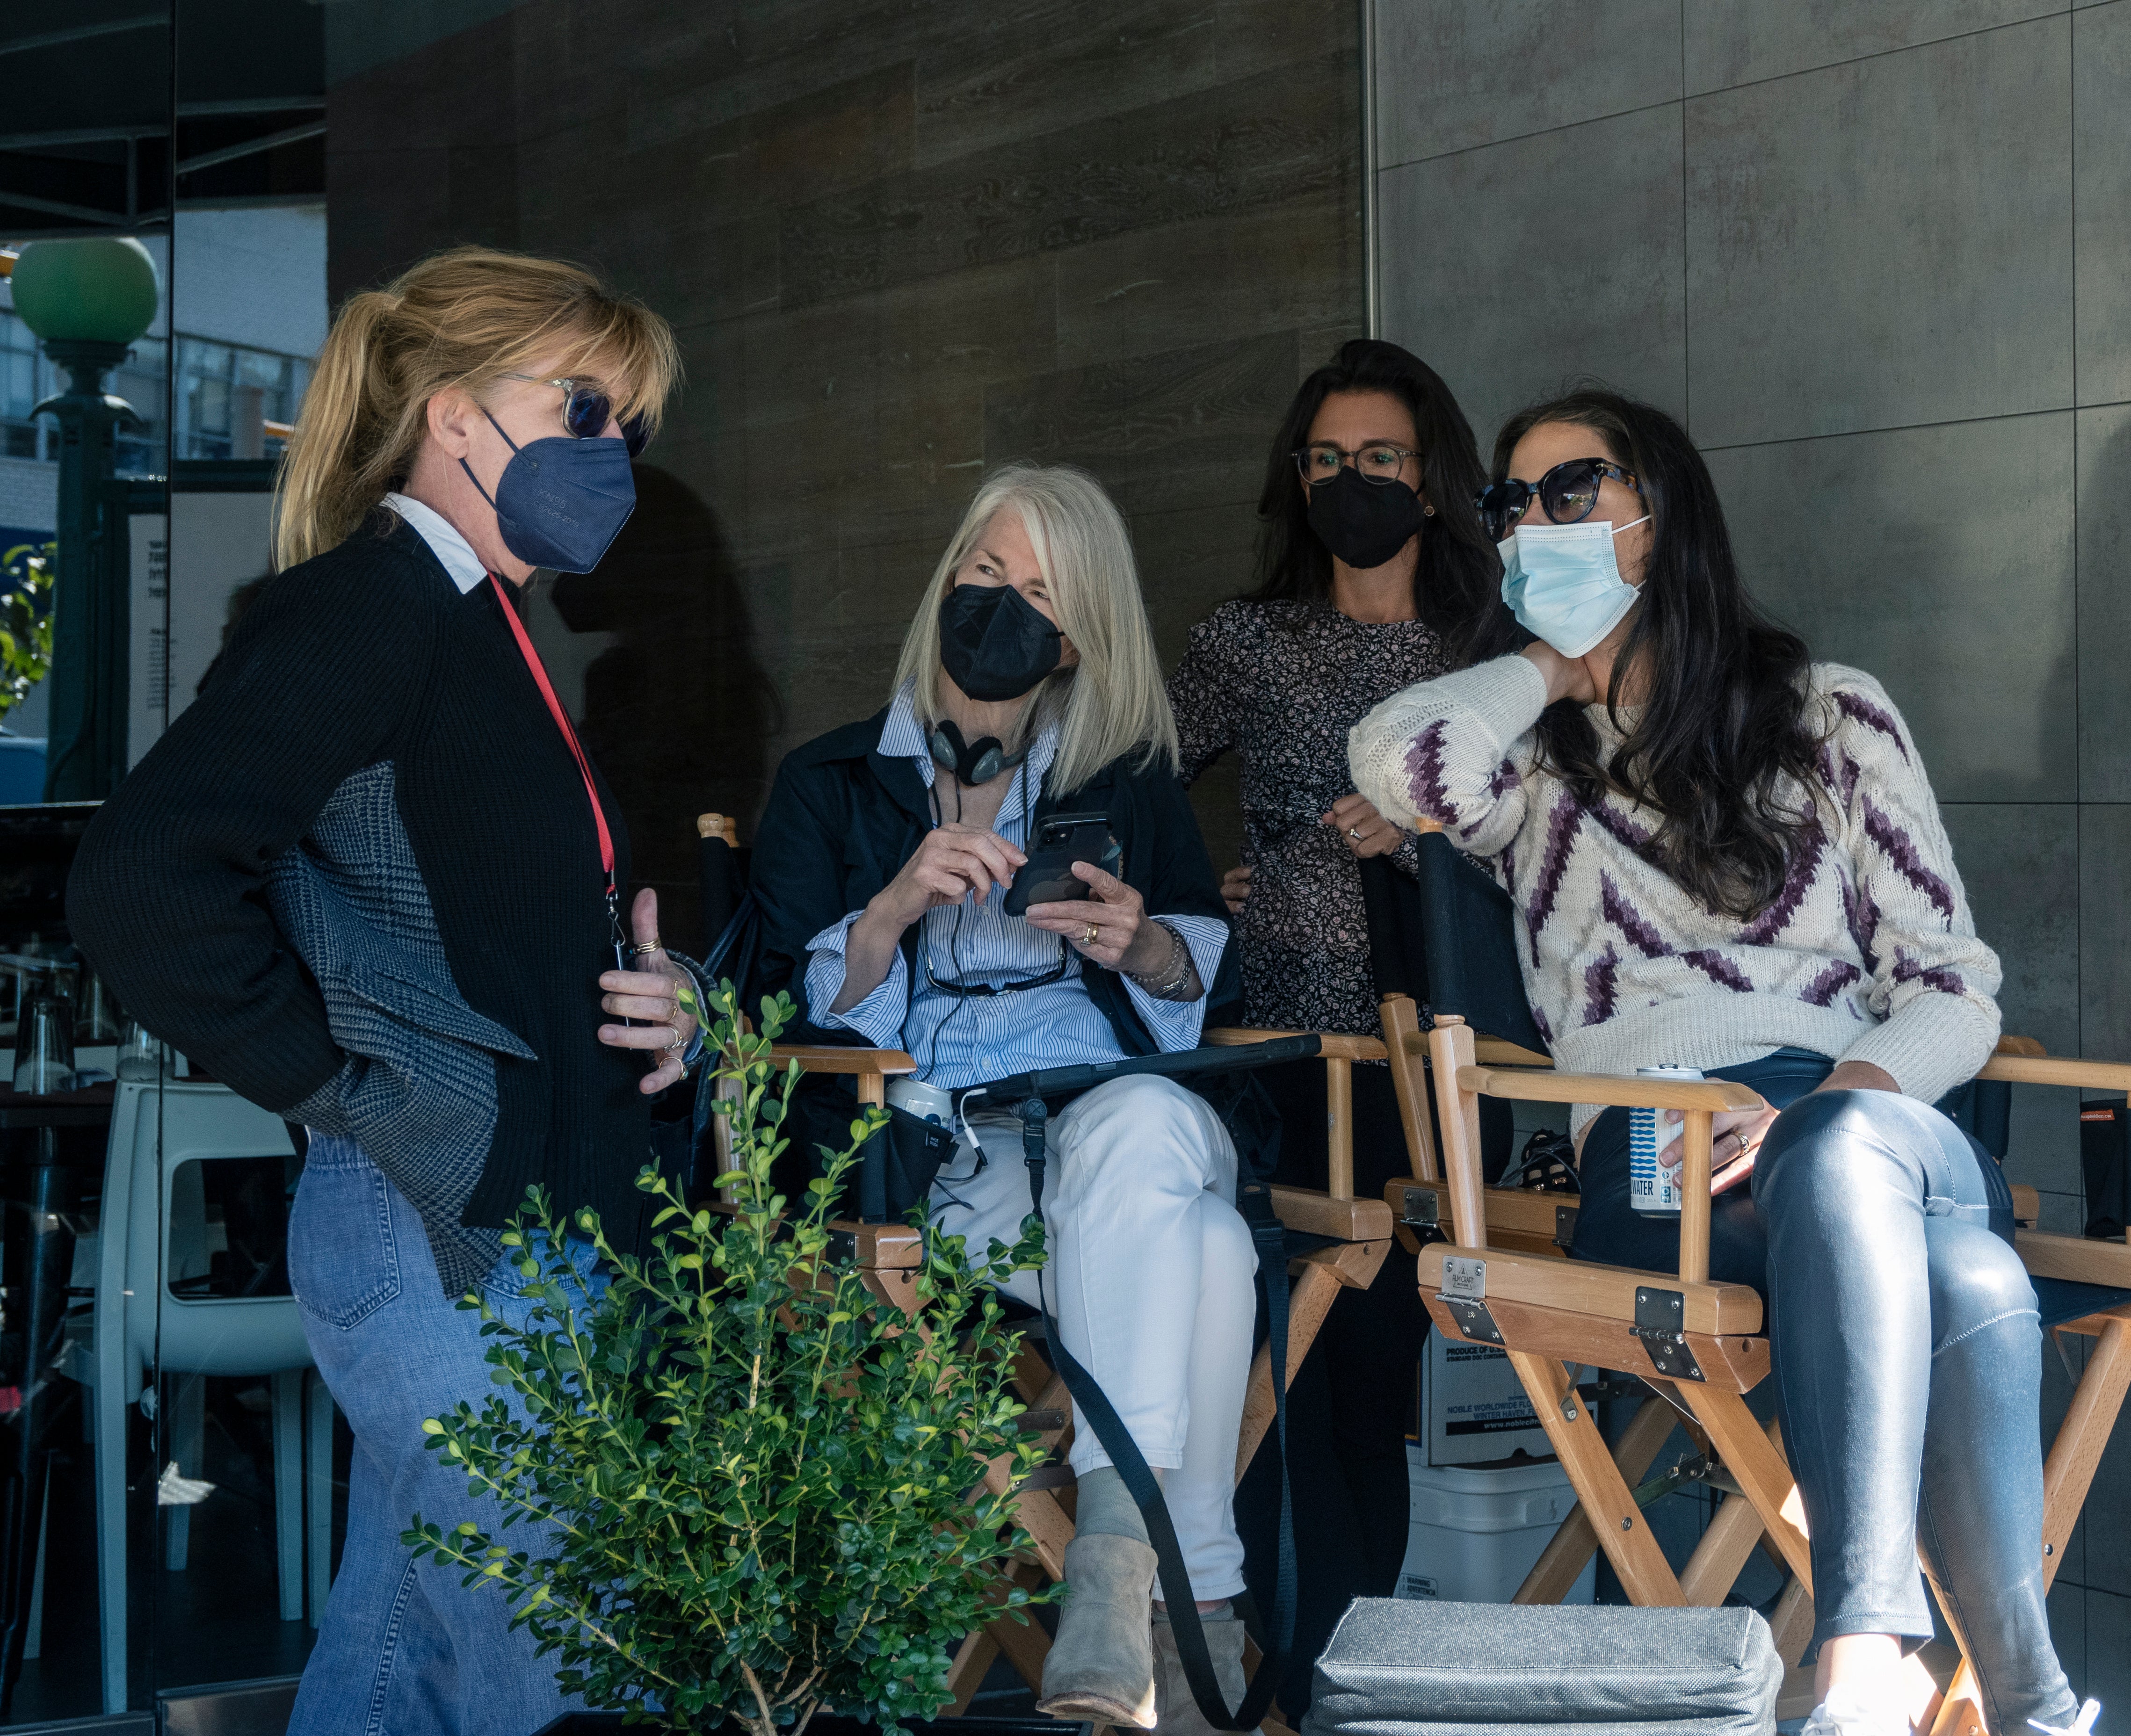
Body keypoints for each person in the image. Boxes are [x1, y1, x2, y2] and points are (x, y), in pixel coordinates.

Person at [1348, 387, 2097, 1736]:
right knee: (1973, 1274)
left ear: (1661, 513)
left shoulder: (1834, 718)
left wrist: (1837, 1112)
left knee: (1840, 1149)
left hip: (1864, 1113)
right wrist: (1553, 671)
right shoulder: (1536, 780)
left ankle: (1866, 1651)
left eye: (1570, 491)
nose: (1531, 525)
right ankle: (2030, 1699)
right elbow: (1395, 761)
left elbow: (1954, 989)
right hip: (1651, 1143)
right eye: (1509, 505)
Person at [67, 247, 692, 1736]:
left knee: (401, 1656)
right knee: (556, 1675)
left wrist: (665, 997)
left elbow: (483, 942)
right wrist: (352, 1092)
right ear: (458, 415)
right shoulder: (370, 606)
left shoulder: (480, 625)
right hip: (438, 1237)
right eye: (588, 405)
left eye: (636, 428)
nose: (616, 452)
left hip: (512, 1238)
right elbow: (143, 882)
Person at [746, 463, 1246, 1736]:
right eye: (987, 576)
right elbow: (786, 1007)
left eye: (1039, 592)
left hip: (1102, 1116)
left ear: (1077, 634)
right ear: (946, 582)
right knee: (1213, 1245)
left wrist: (1138, 944)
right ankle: (1194, 1621)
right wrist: (902, 900)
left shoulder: (1126, 776)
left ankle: (1108, 1575)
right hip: (933, 1156)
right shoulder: (833, 781)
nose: (1005, 606)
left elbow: (1189, 976)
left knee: (1143, 1128)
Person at [1167, 338, 1518, 1702]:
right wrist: (1200, 889)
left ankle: (1348, 1675)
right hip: (1272, 1056)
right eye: (1325, 459)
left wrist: (1433, 828)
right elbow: (1129, 789)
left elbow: (1559, 854)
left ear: (1431, 480)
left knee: (1373, 1378)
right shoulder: (1244, 640)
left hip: (1429, 1067)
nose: (1350, 480)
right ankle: (1297, 1666)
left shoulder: (1493, 655)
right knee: (1273, 1372)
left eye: (1379, 459)